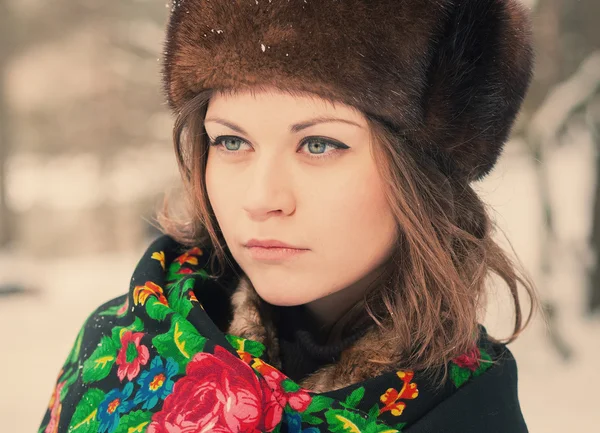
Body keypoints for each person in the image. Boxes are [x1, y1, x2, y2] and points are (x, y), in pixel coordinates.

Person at [38, 0, 539, 432]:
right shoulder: (120, 350)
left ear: (424, 174)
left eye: (319, 144)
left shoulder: (467, 412)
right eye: (232, 141)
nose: (261, 198)